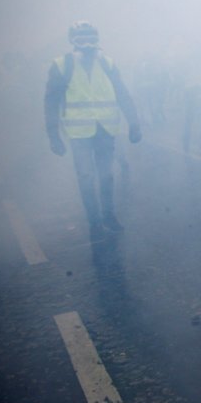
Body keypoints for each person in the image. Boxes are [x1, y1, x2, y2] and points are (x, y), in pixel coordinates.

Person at [44, 21, 142, 240]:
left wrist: (134, 123)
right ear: (73, 41)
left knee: (106, 176)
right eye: (81, 39)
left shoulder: (107, 63)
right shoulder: (62, 65)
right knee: (86, 177)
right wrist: (53, 135)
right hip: (79, 134)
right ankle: (94, 221)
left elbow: (122, 93)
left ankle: (109, 216)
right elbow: (51, 102)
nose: (87, 45)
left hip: (106, 129)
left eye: (91, 39)